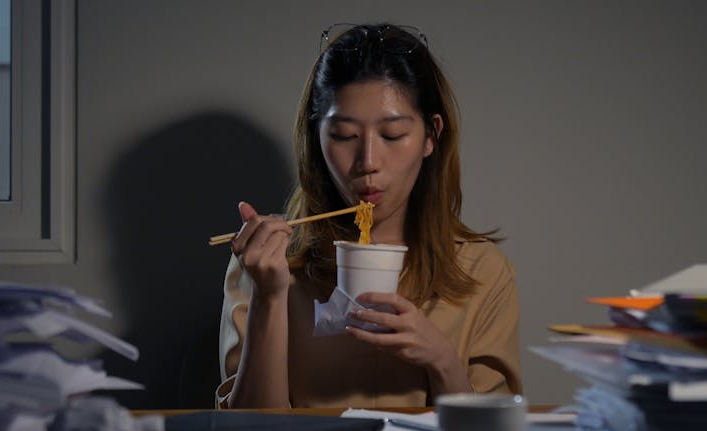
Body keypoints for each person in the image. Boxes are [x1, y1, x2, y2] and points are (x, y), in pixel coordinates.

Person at [216, 23, 521, 408]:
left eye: (392, 135)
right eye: (344, 136)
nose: (368, 163)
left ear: (431, 136)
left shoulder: (482, 270)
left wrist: (442, 361)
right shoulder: (268, 259)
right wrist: (269, 297)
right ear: (317, 138)